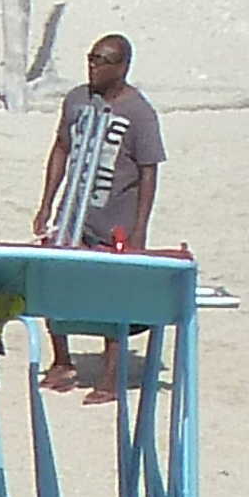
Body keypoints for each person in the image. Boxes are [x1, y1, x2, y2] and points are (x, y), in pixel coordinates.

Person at [37, 31, 168, 399]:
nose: (92, 65)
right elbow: (61, 147)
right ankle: (61, 361)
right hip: (73, 212)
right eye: (91, 57)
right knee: (54, 281)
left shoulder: (139, 113)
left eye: (101, 59)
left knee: (113, 294)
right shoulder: (77, 100)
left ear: (122, 66)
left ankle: (110, 377)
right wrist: (47, 203)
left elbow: (148, 171)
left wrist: (140, 228)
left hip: (116, 217)